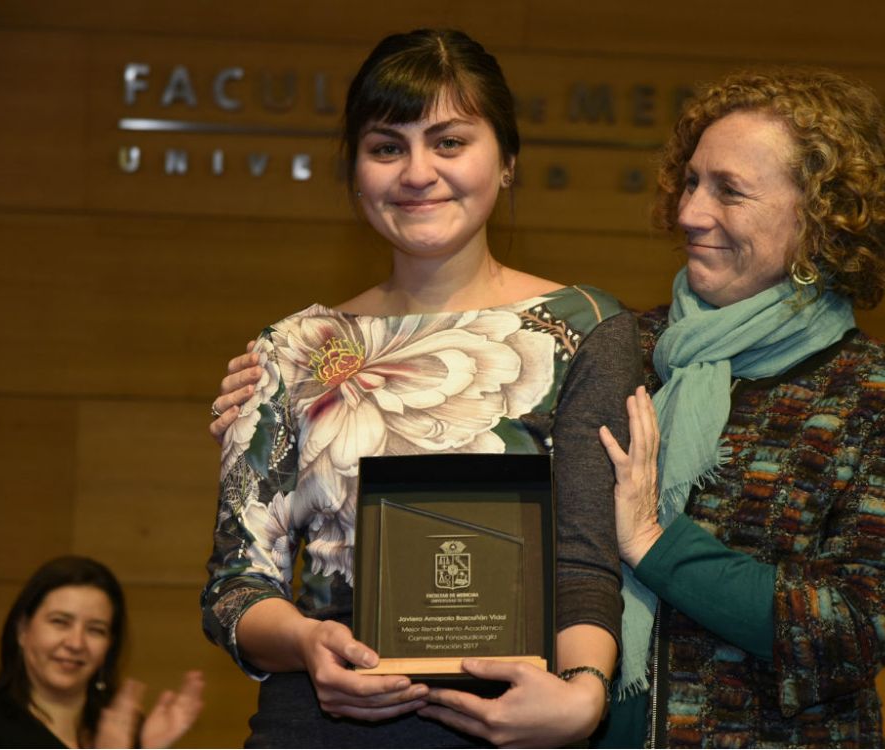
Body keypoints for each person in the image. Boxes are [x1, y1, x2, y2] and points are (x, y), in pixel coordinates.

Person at [201, 28, 639, 748]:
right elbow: (234, 587)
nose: (416, 172)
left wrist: (583, 694)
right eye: (386, 147)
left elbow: (587, 555)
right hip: (318, 723)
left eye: (449, 142)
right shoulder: (292, 348)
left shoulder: (584, 330)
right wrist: (308, 643)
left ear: (507, 162)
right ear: (355, 174)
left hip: (514, 721)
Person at [595, 68, 885, 747]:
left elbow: (853, 628)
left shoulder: (884, 395)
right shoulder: (621, 350)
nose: (691, 212)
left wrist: (653, 544)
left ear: (822, 217)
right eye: (692, 182)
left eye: (729, 191)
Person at [0, 555, 204, 749]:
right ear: (23, 630)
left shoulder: (126, 728)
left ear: (110, 644)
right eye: (60, 622)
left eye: (95, 630)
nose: (76, 643)